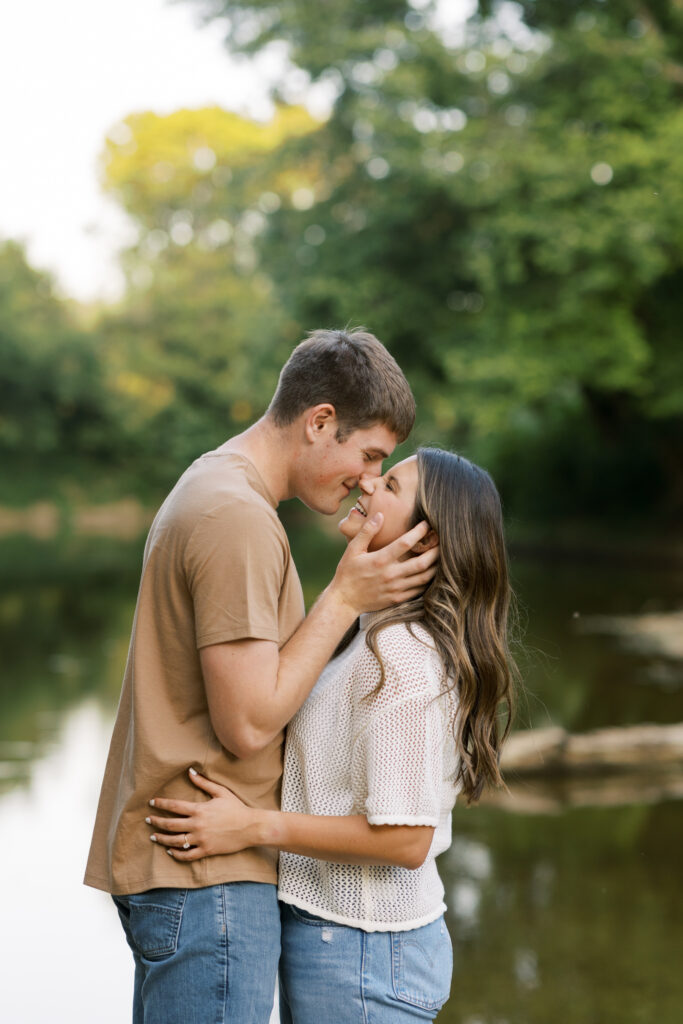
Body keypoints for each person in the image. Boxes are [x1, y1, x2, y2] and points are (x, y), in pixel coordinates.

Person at [84, 328, 439, 1024]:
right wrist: (343, 598)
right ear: (319, 422)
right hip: (206, 875)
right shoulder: (236, 517)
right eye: (369, 455)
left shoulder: (217, 487)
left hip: (199, 867)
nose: (367, 480)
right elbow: (246, 723)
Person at [144, 447, 519, 1023]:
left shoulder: (402, 655)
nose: (367, 483)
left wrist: (251, 827)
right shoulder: (367, 631)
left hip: (366, 954)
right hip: (342, 948)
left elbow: (406, 840)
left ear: (422, 542)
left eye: (390, 486)